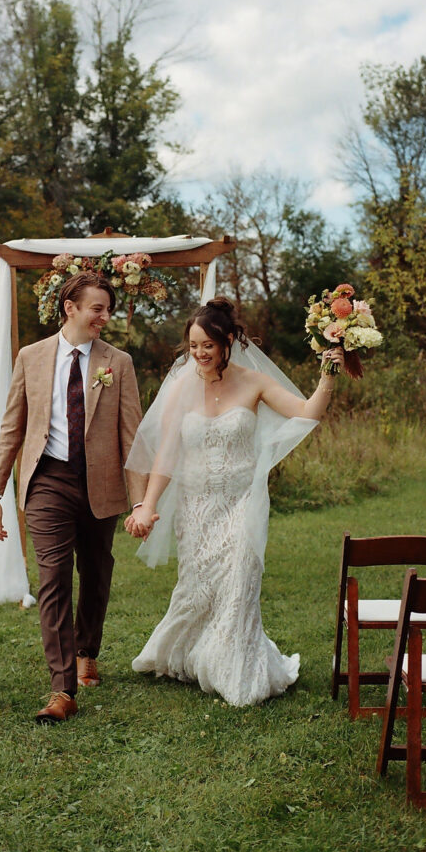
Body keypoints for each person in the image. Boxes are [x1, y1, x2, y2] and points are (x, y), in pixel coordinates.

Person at [123, 297, 343, 706]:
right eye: (192, 346)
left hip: (242, 502)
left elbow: (306, 412)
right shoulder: (181, 389)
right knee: (200, 588)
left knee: (240, 580)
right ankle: (191, 653)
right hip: (196, 506)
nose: (199, 354)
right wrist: (147, 506)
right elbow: (166, 454)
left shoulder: (254, 382)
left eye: (207, 345)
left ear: (228, 341)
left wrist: (328, 375)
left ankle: (236, 670)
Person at [0, 271, 146, 723]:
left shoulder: (120, 362)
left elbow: (132, 435)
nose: (104, 317)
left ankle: (87, 649)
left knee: (96, 571)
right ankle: (62, 689)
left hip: (101, 484)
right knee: (53, 579)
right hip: (47, 482)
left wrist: (139, 502)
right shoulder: (31, 357)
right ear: (70, 308)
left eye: (107, 309)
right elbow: (12, 427)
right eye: (97, 308)